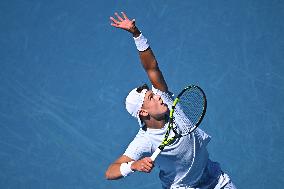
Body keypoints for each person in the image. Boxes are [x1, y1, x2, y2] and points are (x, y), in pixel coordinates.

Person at [105, 12, 237, 189]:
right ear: (143, 112)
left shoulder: (166, 101)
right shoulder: (145, 140)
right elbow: (110, 172)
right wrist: (133, 165)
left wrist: (136, 34)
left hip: (214, 178)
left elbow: (152, 67)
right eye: (151, 97)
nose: (158, 95)